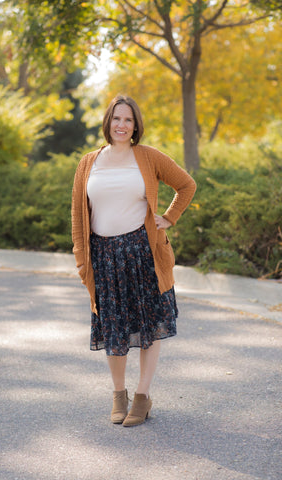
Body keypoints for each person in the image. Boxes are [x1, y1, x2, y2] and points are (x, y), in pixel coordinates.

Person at [71, 94, 196, 427]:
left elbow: (186, 184)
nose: (121, 125)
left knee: (148, 326)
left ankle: (142, 396)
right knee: (113, 328)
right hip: (104, 257)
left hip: (143, 253)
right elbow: (78, 215)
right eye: (116, 119)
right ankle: (118, 395)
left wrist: (169, 217)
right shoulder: (88, 162)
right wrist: (83, 260)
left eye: (128, 120)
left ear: (135, 124)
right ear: (107, 123)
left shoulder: (148, 157)